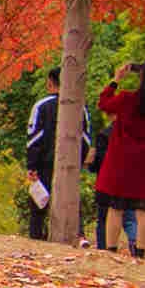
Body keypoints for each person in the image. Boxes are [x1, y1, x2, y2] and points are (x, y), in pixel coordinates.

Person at [95, 57, 145, 259]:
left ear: (142, 76)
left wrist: (116, 79)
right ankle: (140, 253)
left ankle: (111, 251)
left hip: (122, 160)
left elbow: (104, 104)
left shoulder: (126, 99)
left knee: (116, 207)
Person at [25, 67, 92, 242]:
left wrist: (31, 165)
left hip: (44, 162)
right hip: (71, 162)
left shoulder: (41, 106)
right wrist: (81, 159)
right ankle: (79, 235)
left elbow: (34, 138)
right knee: (71, 200)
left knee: (39, 202)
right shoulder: (80, 107)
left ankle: (36, 236)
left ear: (50, 82)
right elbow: (86, 138)